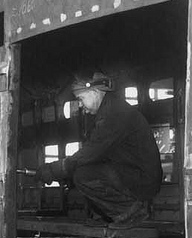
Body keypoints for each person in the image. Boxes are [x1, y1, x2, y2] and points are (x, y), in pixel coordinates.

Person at [37, 72, 163, 226]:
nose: (81, 106)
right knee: (85, 170)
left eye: (81, 99)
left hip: (141, 178)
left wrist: (56, 169)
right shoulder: (111, 110)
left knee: (83, 175)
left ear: (95, 92)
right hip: (132, 172)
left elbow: (91, 151)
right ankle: (112, 215)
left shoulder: (115, 114)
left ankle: (131, 212)